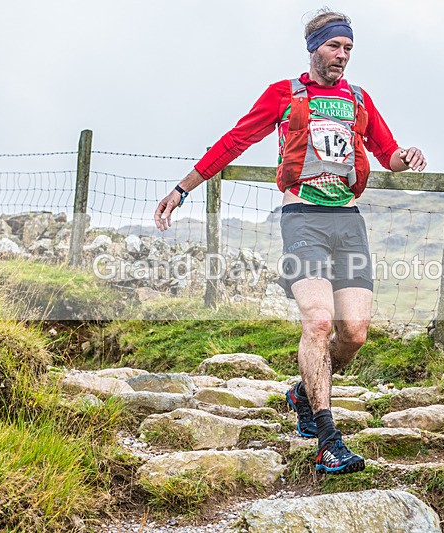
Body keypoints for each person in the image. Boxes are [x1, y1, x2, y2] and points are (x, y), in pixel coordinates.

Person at [155, 9, 426, 474]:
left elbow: (388, 155)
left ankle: (303, 391)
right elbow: (234, 141)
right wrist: (182, 189)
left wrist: (408, 155)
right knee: (318, 322)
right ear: (314, 48)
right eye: (334, 46)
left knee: (354, 333)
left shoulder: (358, 99)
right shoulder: (284, 94)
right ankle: (327, 439)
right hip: (302, 219)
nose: (342, 56)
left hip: (348, 221)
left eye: (348, 48)